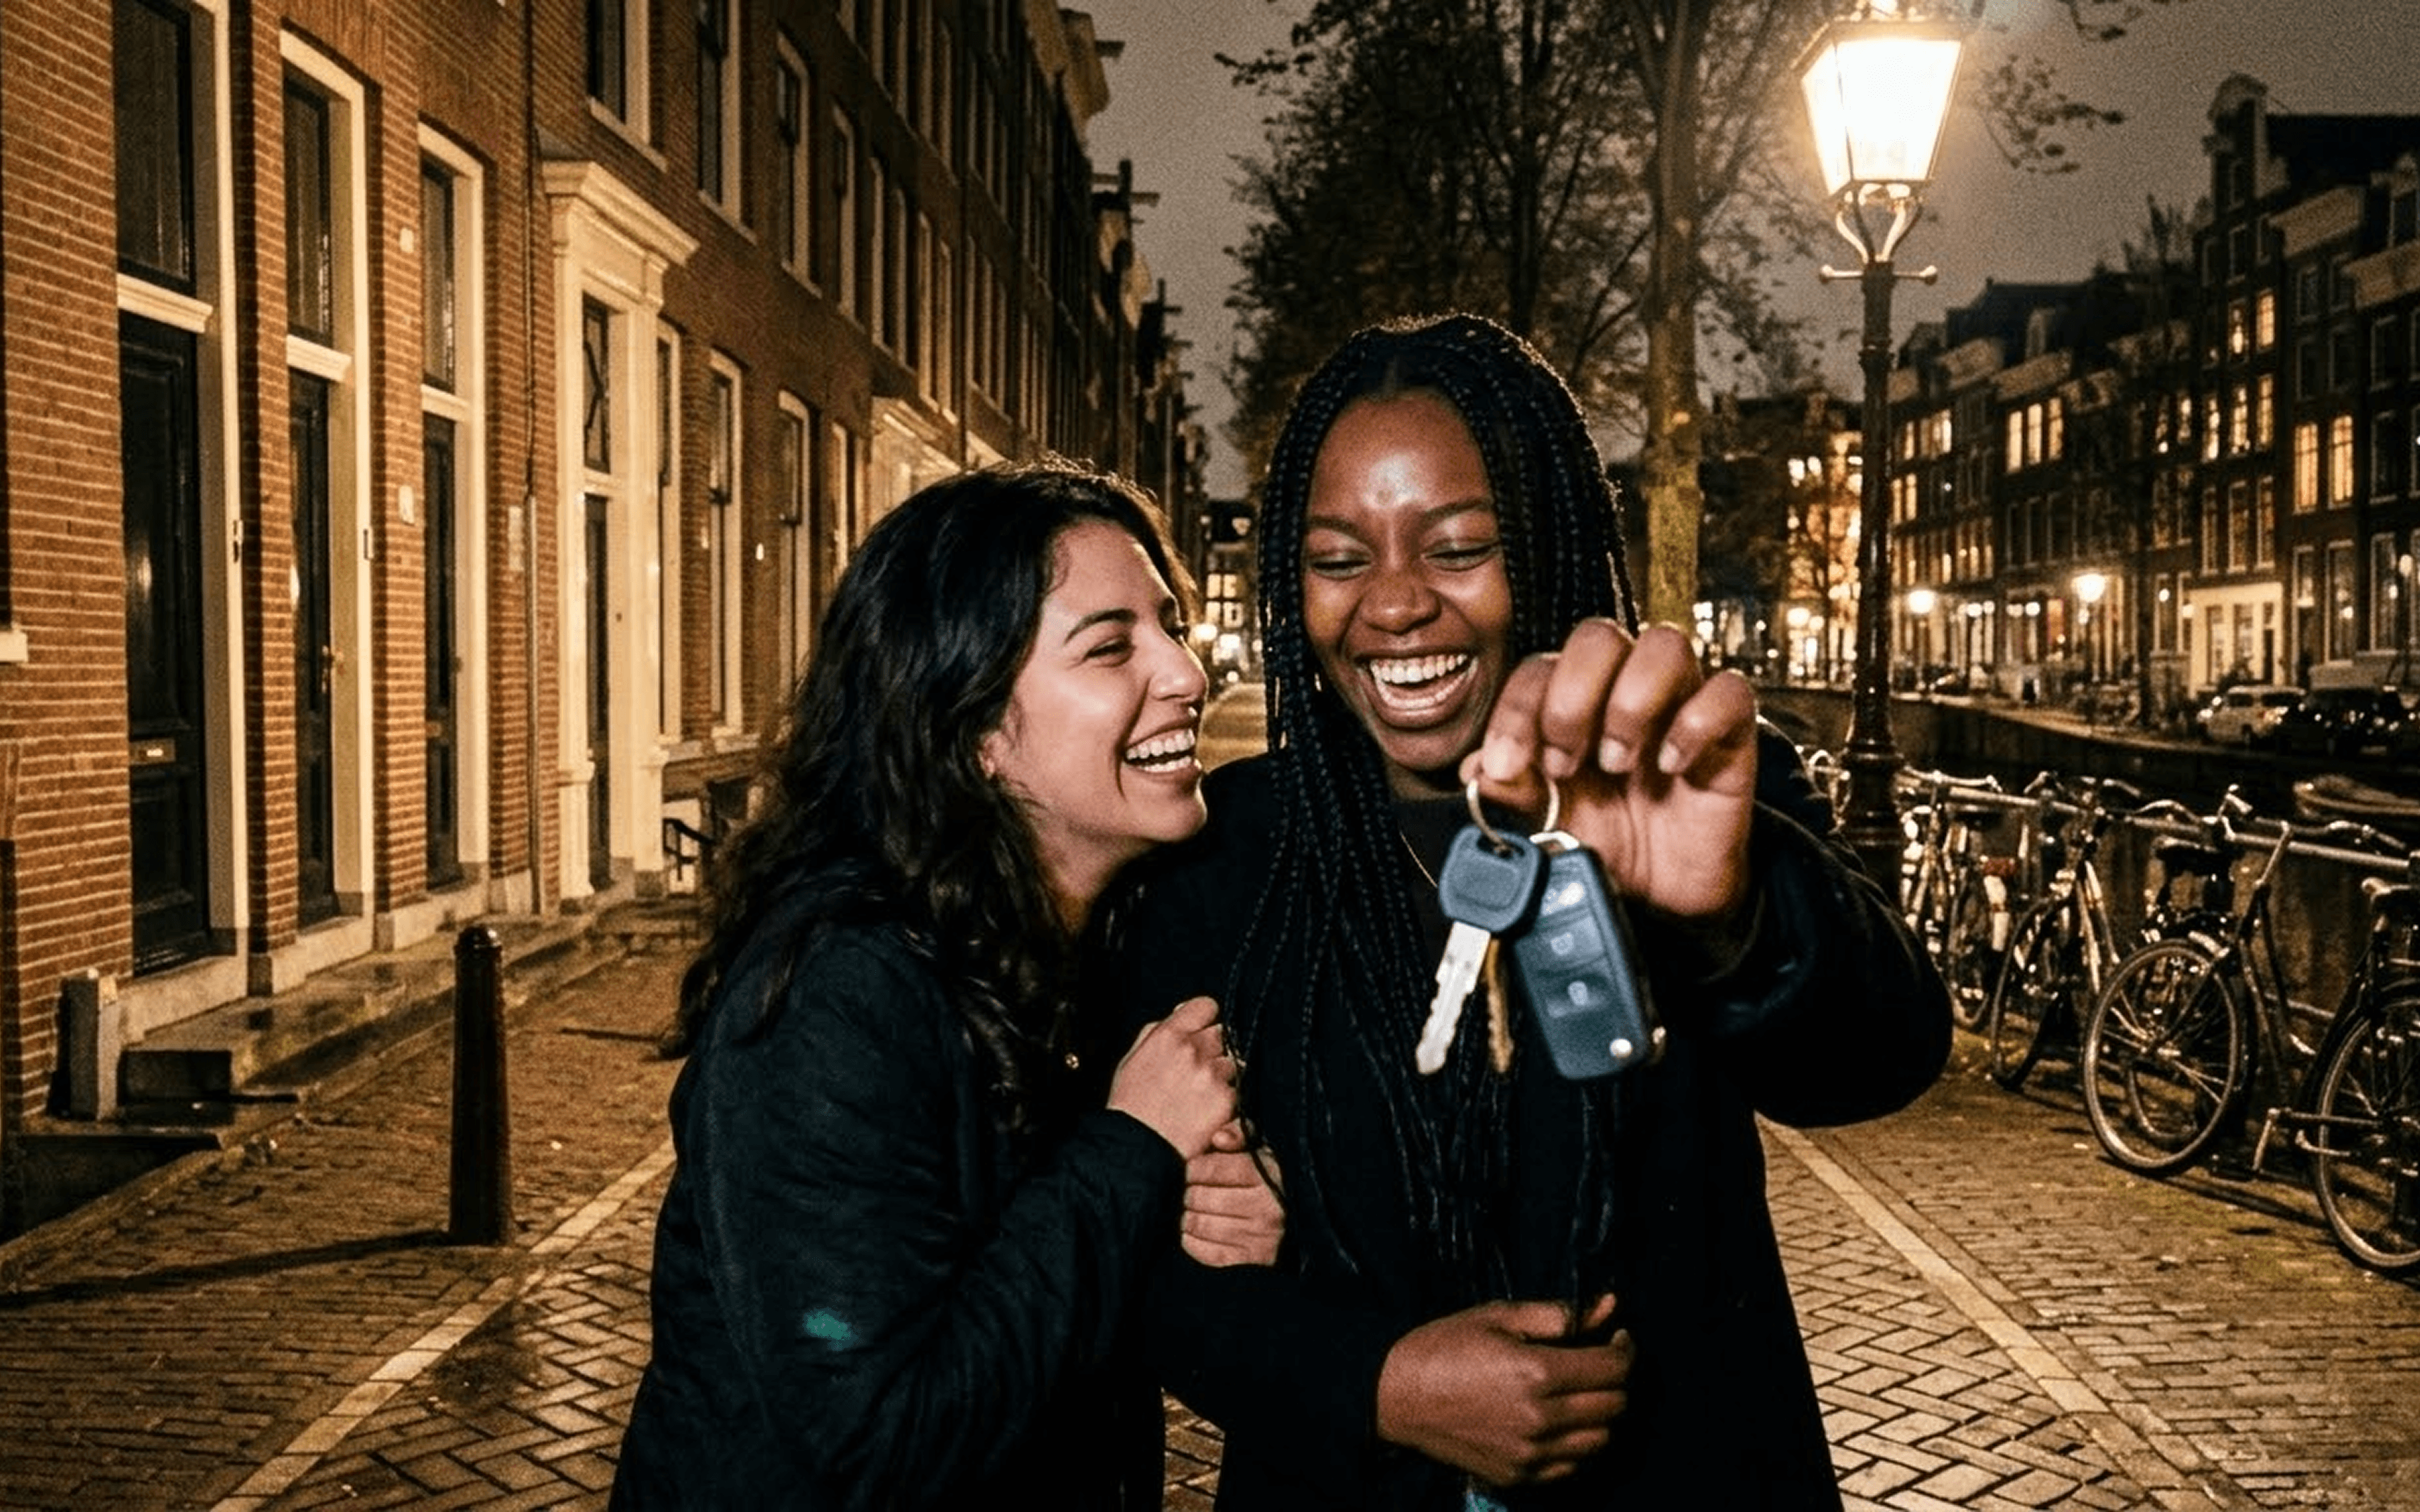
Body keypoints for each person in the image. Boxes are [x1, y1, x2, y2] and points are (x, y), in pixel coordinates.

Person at [1108, 314, 1951, 1508]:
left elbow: (1883, 1057)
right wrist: (1377, 1382)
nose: (1394, 604)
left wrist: (1731, 916)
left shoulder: (1676, 776)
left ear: (1544, 544)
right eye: (1338, 560)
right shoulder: (1222, 858)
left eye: (1458, 547)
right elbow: (1139, 1269)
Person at [612, 463, 1280, 1510]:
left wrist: (1214, 1222)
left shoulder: (1092, 952)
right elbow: (880, 1438)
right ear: (974, 730)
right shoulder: (833, 1000)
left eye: (1172, 627)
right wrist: (1133, 1150)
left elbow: (1048, 1293)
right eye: (1110, 647)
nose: (1187, 673)